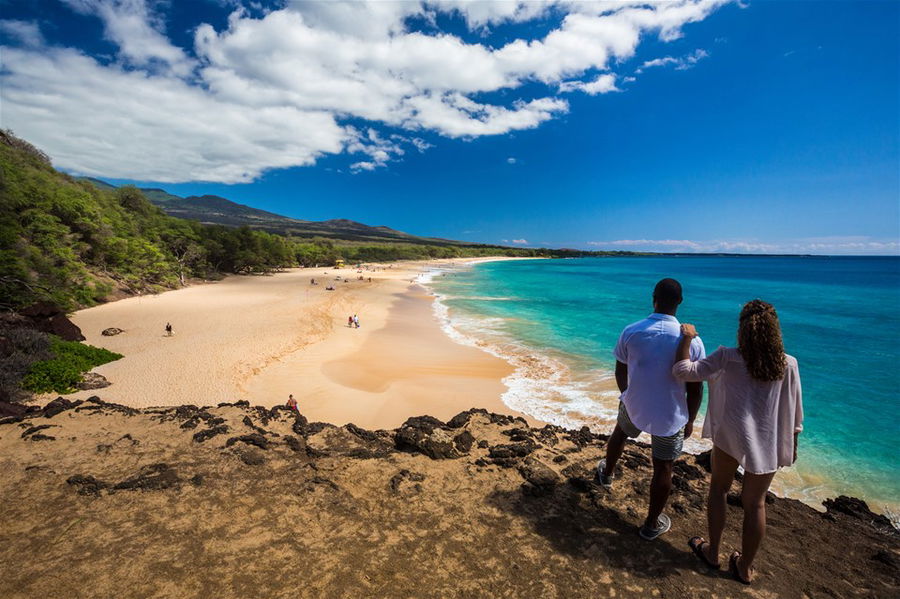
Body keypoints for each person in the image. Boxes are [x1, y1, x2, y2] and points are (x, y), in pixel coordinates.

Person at [673, 300, 803, 585]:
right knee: (755, 504)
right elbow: (794, 411)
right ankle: (744, 567)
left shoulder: (726, 357)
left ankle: (713, 552)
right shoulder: (788, 364)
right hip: (766, 441)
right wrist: (792, 444)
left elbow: (683, 370)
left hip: (730, 436)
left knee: (718, 490)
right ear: (774, 331)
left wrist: (687, 338)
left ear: (742, 329)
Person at [596, 278, 705, 540]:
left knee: (619, 434)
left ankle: (607, 475)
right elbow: (696, 387)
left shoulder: (632, 331)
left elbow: (620, 368)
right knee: (663, 467)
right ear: (680, 302)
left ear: (653, 297)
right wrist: (690, 419)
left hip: (635, 405)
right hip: (671, 414)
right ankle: (650, 524)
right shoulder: (693, 341)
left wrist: (625, 394)